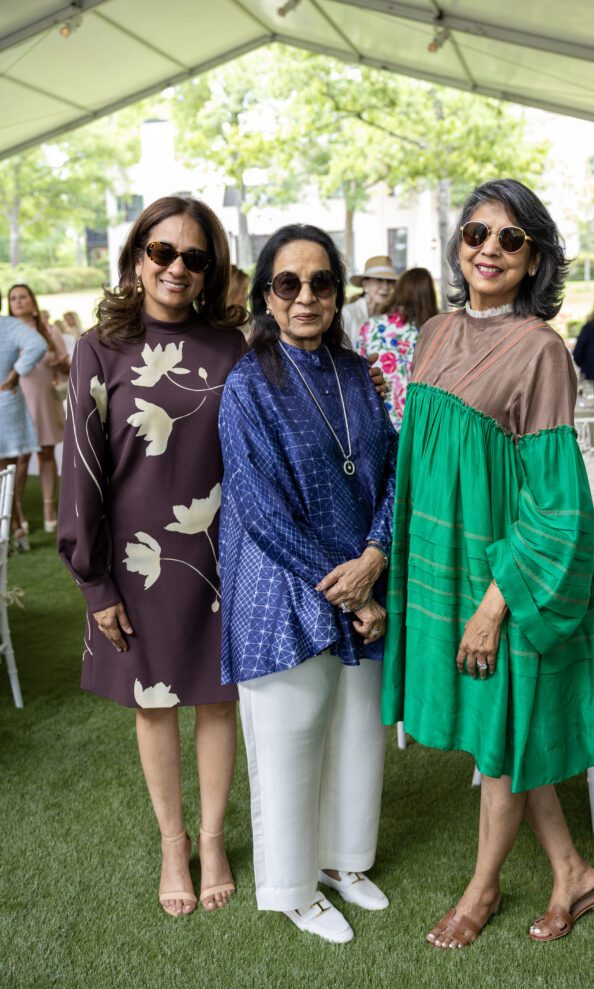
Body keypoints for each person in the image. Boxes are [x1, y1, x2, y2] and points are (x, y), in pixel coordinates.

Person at [382, 179, 594, 950]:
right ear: (458, 244)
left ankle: (481, 892)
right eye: (476, 233)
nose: (489, 249)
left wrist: (495, 601)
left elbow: (556, 501)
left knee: (501, 730)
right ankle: (574, 873)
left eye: (510, 239)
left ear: (534, 257)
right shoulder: (434, 332)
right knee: (504, 731)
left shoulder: (540, 350)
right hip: (441, 566)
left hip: (502, 574)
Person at [57, 196, 248, 917]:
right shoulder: (99, 348)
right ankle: (174, 845)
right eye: (161, 252)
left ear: (209, 272)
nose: (175, 268)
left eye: (193, 258)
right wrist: (94, 581)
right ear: (136, 256)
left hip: (223, 553)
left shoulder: (232, 348)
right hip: (138, 562)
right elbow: (81, 471)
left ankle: (213, 839)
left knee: (218, 700)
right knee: (155, 702)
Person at [218, 224, 397, 945]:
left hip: (361, 577)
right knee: (290, 735)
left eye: (321, 282)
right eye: (288, 283)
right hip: (283, 588)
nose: (305, 296)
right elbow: (256, 504)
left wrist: (376, 555)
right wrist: (350, 584)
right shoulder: (246, 383)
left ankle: (344, 862)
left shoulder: (356, 373)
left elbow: (388, 471)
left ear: (337, 290)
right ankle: (292, 886)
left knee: (357, 729)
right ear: (267, 294)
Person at [8, 283, 70, 533]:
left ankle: (48, 508)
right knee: (20, 458)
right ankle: (16, 512)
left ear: (32, 301)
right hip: (18, 401)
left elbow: (66, 369)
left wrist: (60, 362)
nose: (18, 301)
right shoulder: (7, 333)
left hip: (45, 399)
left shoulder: (48, 330)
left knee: (46, 454)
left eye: (23, 296)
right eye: (13, 298)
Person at [358, 267, 438, 428]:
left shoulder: (371, 326)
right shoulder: (434, 332)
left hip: (378, 417)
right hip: (419, 422)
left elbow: (358, 372)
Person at [0, 293, 47, 548]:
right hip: (6, 401)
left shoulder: (8, 326)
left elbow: (38, 344)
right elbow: (37, 344)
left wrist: (15, 374)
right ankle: (16, 527)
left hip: (4, 403)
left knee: (5, 471)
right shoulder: (10, 326)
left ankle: (13, 529)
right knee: (6, 472)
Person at [342, 255, 398, 347]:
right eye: (379, 280)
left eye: (390, 281)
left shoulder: (394, 316)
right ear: (365, 284)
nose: (385, 287)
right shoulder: (348, 313)